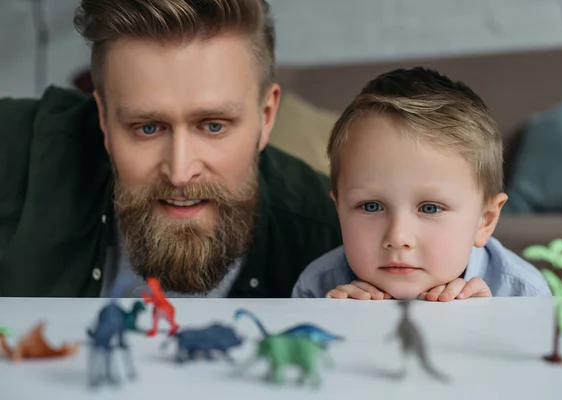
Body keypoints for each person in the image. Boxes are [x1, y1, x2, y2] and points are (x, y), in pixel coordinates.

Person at [0, 0, 342, 298]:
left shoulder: (337, 240)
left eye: (213, 126)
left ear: (265, 117)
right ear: (103, 118)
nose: (180, 173)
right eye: (147, 128)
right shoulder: (18, 153)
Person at [292, 67, 551, 301]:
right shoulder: (316, 288)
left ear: (484, 220)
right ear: (339, 210)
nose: (398, 238)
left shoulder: (522, 294)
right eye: (371, 206)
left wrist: (482, 326)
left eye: (430, 208)